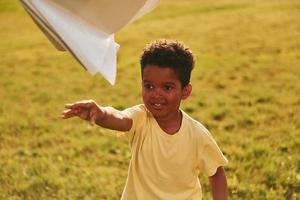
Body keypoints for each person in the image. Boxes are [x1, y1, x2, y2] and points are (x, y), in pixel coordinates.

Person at [62, 39, 228, 200]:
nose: (156, 94)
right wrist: (102, 114)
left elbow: (216, 172)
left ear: (185, 91)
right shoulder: (141, 118)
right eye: (149, 86)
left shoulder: (197, 135)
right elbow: (120, 118)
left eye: (167, 87)